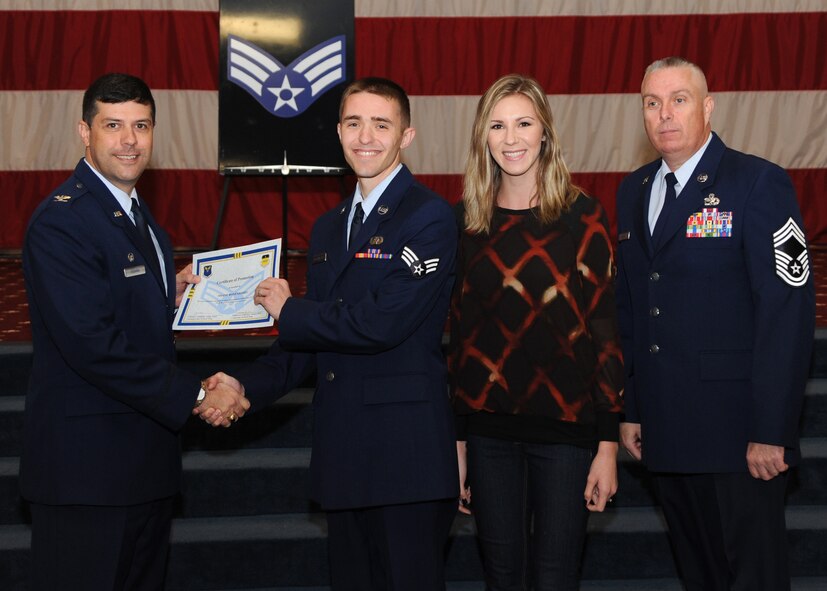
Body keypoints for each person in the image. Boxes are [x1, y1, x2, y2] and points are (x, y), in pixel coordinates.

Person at [199, 77, 459, 590]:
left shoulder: (430, 217)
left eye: (381, 124)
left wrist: (290, 310)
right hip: (344, 454)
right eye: (354, 123)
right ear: (338, 132)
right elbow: (306, 345)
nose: (366, 137)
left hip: (405, 458)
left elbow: (381, 324)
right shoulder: (327, 226)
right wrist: (243, 386)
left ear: (406, 136)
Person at [21, 72, 249, 590]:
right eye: (113, 125)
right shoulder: (63, 222)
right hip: (86, 475)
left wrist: (169, 294)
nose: (129, 140)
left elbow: (119, 305)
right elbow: (93, 345)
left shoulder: (142, 220)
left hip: (143, 467)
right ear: (85, 132)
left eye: (141, 126)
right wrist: (198, 395)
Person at [615, 57, 815, 591]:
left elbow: (786, 313)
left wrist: (771, 429)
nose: (664, 114)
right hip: (665, 428)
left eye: (679, 100)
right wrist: (633, 408)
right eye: (652, 103)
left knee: (752, 578)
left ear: (708, 107)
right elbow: (631, 308)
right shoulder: (633, 191)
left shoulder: (757, 182)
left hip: (739, 435)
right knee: (699, 576)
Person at [448, 74, 624, 591]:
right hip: (488, 433)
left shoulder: (582, 216)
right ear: (483, 136)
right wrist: (457, 441)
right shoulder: (466, 222)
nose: (511, 139)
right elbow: (459, 338)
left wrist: (607, 444)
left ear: (545, 131)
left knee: (555, 577)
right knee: (501, 577)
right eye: (497, 126)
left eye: (524, 123)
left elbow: (605, 332)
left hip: (567, 433)